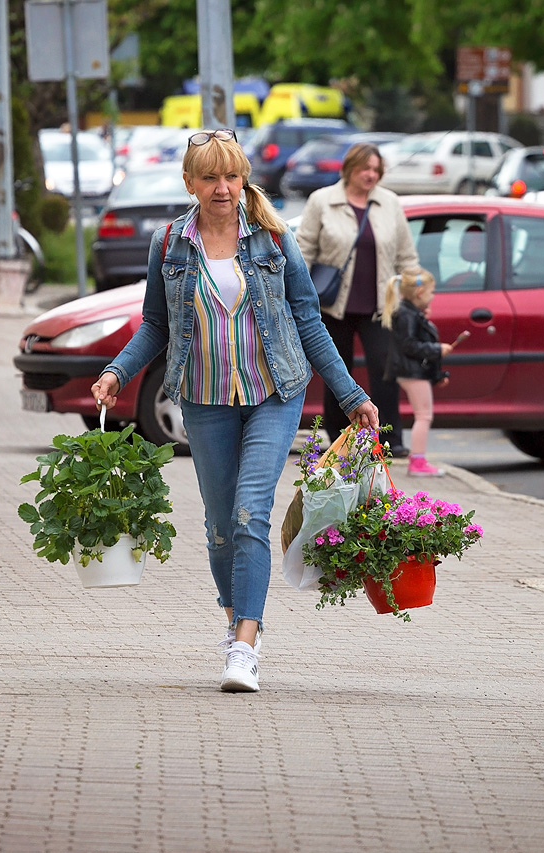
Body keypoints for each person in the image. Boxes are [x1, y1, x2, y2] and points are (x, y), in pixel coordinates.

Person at [90, 128, 379, 694]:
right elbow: (155, 325)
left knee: (250, 512)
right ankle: (235, 623)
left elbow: (309, 323)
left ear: (244, 178)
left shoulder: (274, 239)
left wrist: (352, 397)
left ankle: (245, 643)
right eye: (210, 177)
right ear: (190, 183)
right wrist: (115, 373)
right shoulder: (169, 244)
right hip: (203, 398)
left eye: (231, 175)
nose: (222, 188)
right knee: (220, 528)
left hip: (275, 393)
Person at [297, 142, 419, 456]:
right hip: (331, 305)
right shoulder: (322, 201)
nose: (370, 175)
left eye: (376, 170)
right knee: (338, 372)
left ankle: (389, 441)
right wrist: (295, 295)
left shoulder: (389, 202)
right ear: (349, 168)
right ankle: (340, 440)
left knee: (385, 369)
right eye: (364, 168)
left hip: (379, 305)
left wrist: (416, 294)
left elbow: (406, 256)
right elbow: (303, 251)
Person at [381, 268, 455, 477]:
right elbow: (410, 346)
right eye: (431, 292)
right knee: (424, 416)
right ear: (420, 293)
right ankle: (418, 462)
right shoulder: (406, 315)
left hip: (409, 371)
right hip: (410, 372)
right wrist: (437, 349)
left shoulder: (408, 313)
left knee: (422, 415)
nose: (433, 297)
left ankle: (418, 460)